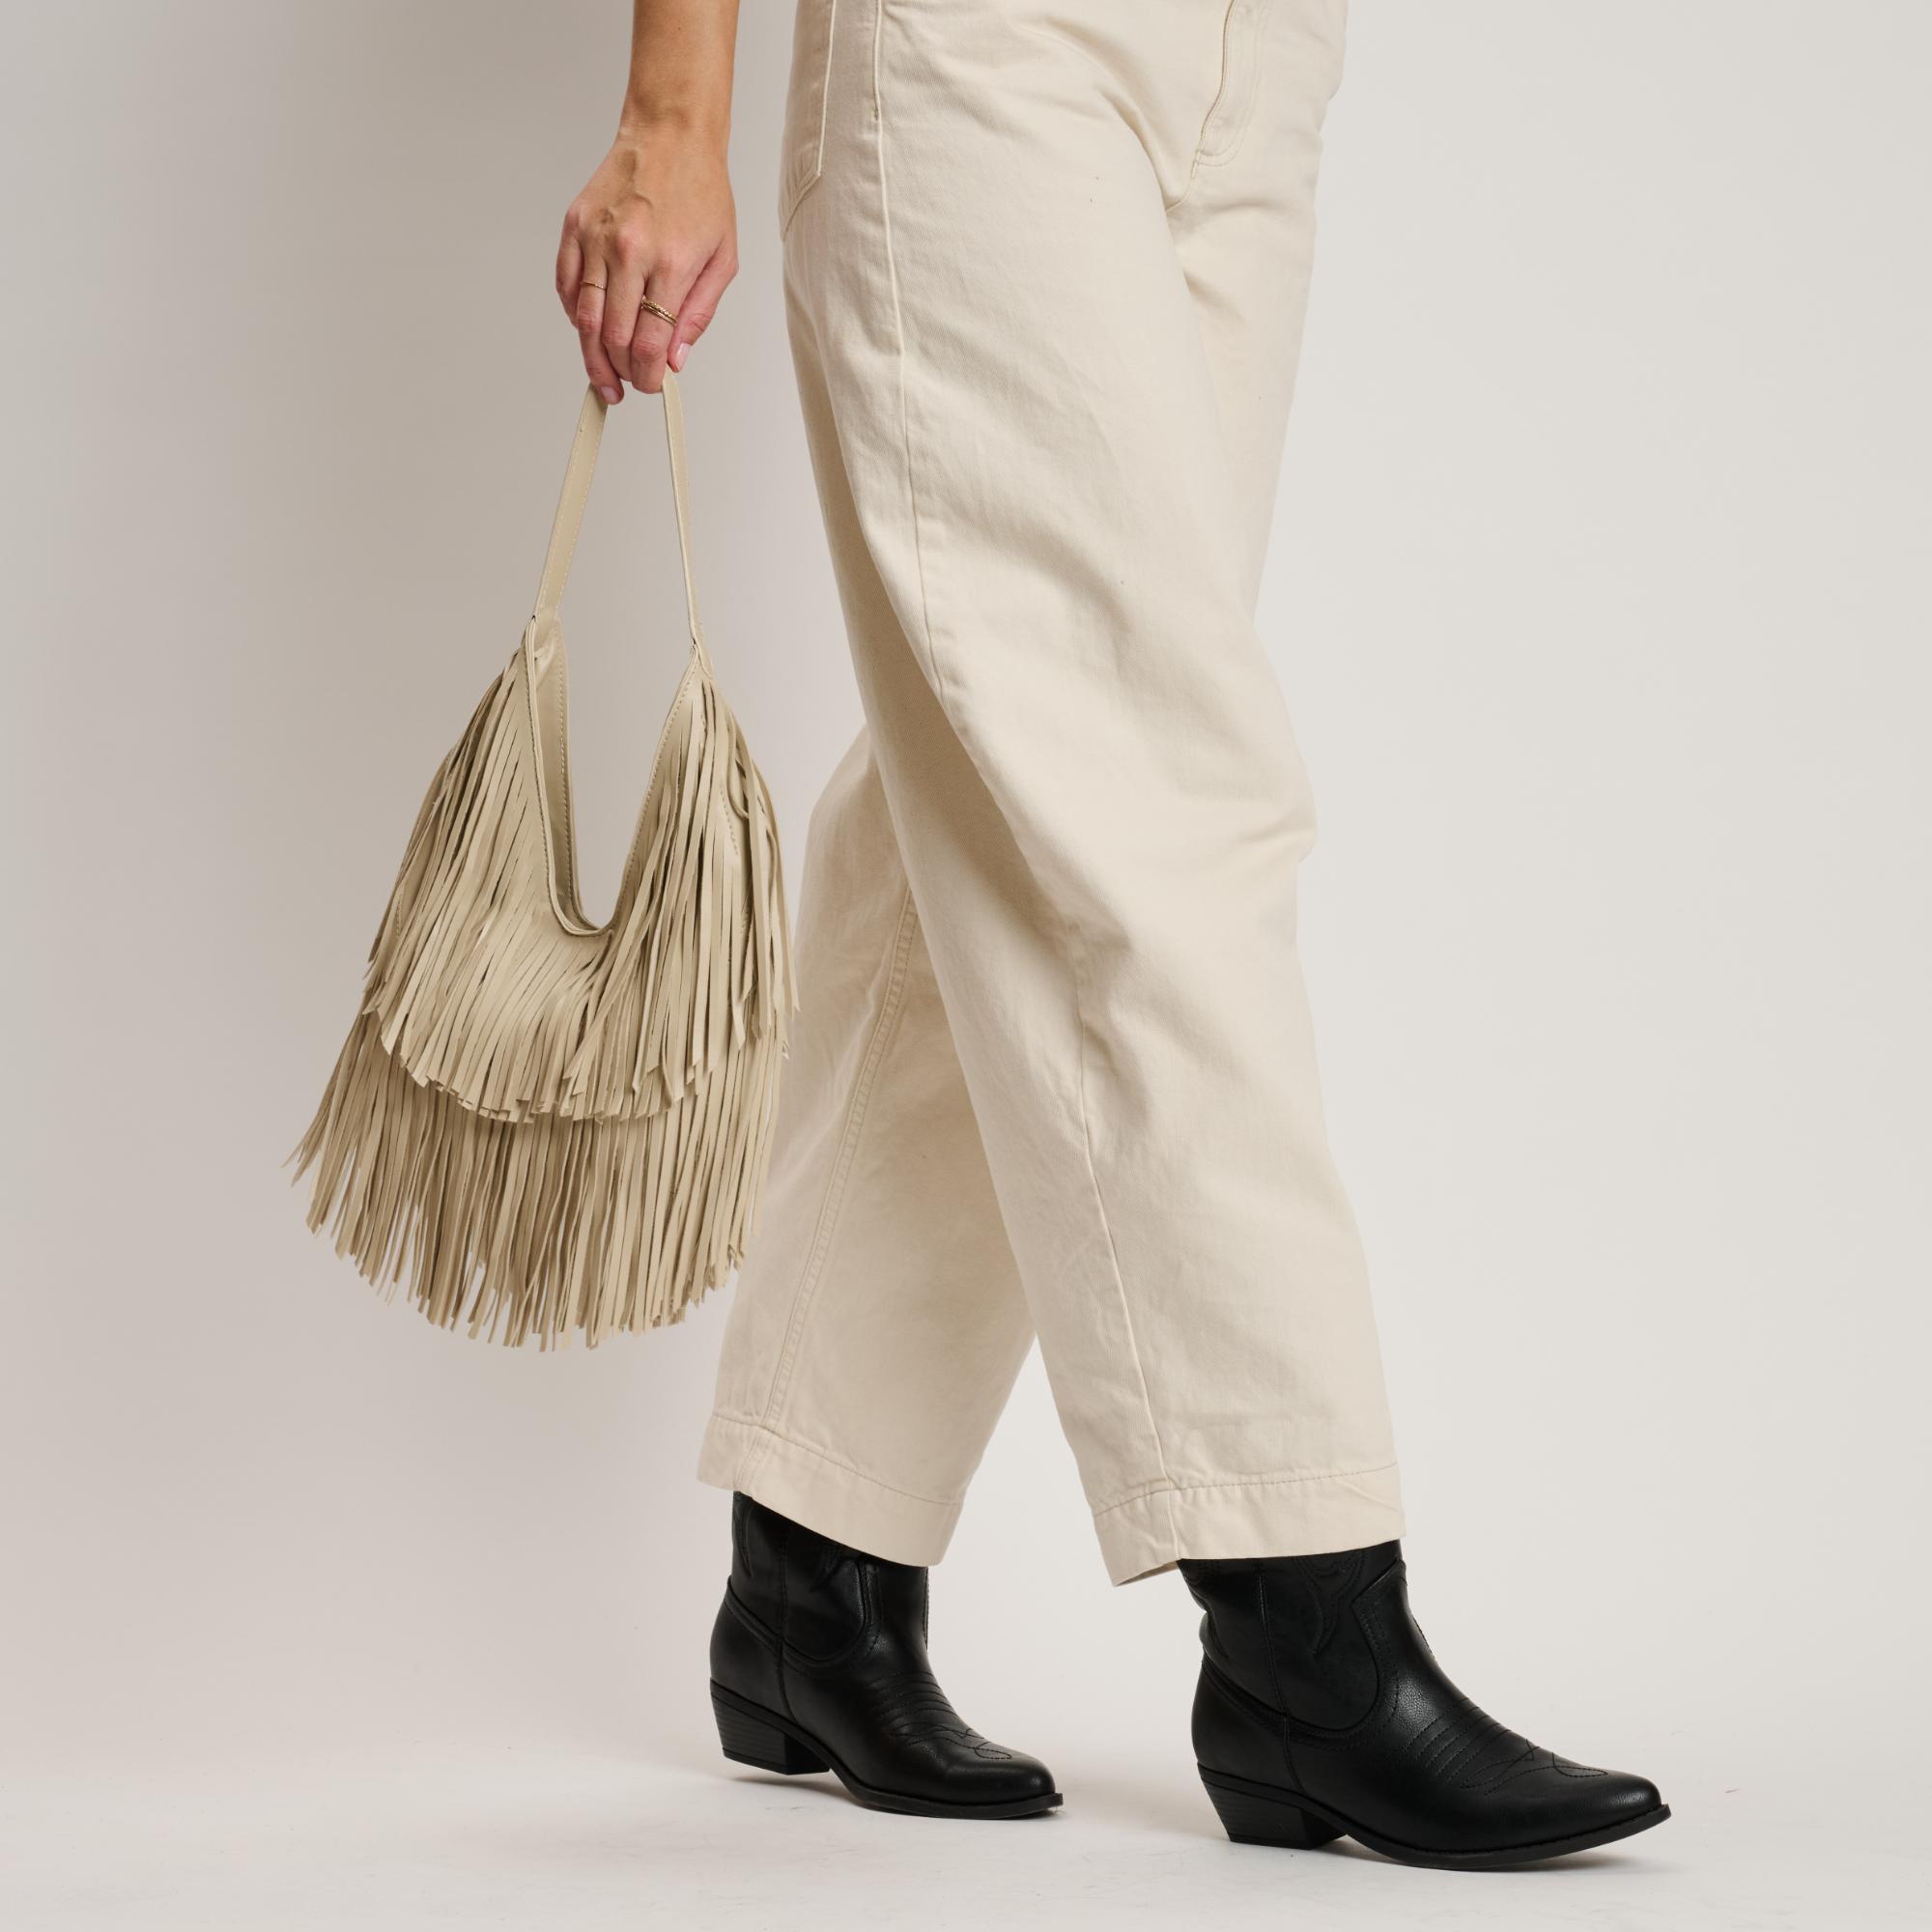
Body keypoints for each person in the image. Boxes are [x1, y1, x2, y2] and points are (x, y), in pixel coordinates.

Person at [556, 0, 1667, 1867]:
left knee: (1010, 789)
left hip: (1261, 59)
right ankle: (1305, 1630)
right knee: (1148, 793)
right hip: (986, 49)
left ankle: (812, 1572)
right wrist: (675, 105)